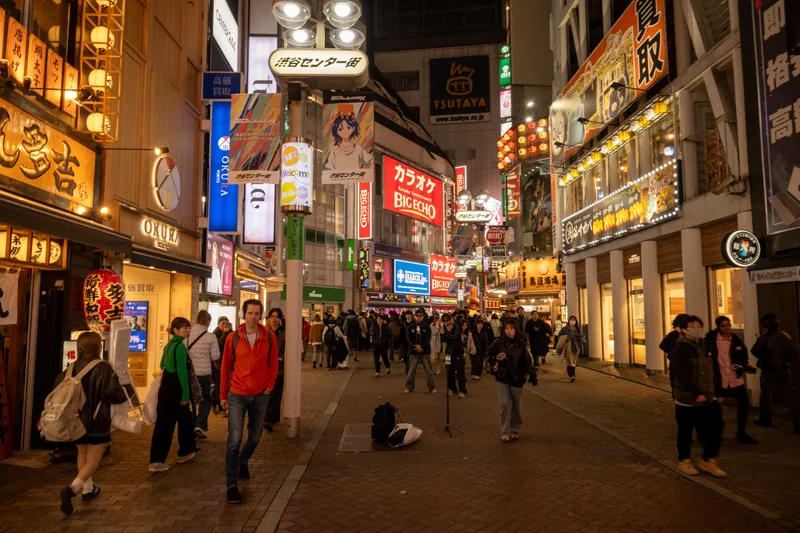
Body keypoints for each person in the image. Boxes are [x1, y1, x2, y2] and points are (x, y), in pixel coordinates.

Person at [56, 332, 127, 515]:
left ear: (79, 347)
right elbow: (115, 394)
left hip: (75, 420)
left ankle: (88, 487)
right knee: (94, 459)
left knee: (82, 452)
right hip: (97, 421)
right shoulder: (103, 367)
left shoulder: (71, 368)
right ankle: (71, 489)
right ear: (98, 347)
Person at [220, 299, 278, 504]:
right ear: (243, 315)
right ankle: (231, 485)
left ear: (261, 315)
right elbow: (226, 366)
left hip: (260, 395)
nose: (253, 317)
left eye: (257, 313)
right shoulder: (233, 338)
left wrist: (268, 387)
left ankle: (243, 461)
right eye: (250, 313)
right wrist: (223, 395)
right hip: (237, 393)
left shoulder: (268, 337)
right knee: (234, 439)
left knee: (255, 436)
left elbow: (273, 366)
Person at [670, 315, 726, 477]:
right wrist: (696, 393)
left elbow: (715, 369)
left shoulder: (705, 346)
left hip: (709, 396)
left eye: (699, 325)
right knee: (686, 430)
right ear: (684, 329)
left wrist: (719, 391)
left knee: (715, 428)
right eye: (692, 326)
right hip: (687, 398)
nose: (697, 328)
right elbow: (681, 374)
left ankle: (708, 459)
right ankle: (684, 460)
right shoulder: (680, 349)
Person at [149, 317, 200, 474]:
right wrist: (185, 395)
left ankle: (157, 460)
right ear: (175, 330)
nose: (187, 330)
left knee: (166, 424)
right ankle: (183, 453)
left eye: (188, 327)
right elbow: (182, 372)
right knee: (182, 421)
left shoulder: (169, 345)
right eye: (183, 328)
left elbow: (162, 365)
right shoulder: (179, 347)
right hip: (176, 388)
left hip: (166, 388)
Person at [705, 316, 758, 444]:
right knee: (712, 408)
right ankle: (710, 434)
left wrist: (745, 366)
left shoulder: (735, 340)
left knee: (744, 403)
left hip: (734, 378)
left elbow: (742, 356)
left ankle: (741, 432)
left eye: (728, 324)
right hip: (719, 380)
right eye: (723, 325)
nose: (727, 328)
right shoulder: (710, 340)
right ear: (718, 327)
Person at [487, 320, 538, 442]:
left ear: (516, 330)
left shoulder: (521, 344)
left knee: (516, 406)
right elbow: (489, 355)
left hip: (517, 378)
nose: (508, 331)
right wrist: (497, 358)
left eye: (511, 328)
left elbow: (527, 361)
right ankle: (505, 431)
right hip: (502, 377)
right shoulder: (498, 342)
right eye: (506, 329)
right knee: (504, 404)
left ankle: (515, 430)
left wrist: (532, 375)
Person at [751, 313, 800, 433]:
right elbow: (792, 352)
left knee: (766, 396)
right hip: (784, 369)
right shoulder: (785, 336)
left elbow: (755, 351)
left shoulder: (765, 337)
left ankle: (765, 419)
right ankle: (798, 422)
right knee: (789, 397)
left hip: (769, 370)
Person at [185, 310, 220, 440]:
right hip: (204, 374)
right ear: (208, 321)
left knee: (192, 401)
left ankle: (192, 427)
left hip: (190, 374)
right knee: (206, 400)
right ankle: (199, 425)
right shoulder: (210, 337)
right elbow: (216, 356)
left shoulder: (187, 335)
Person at [404, 310, 437, 394]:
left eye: (420, 315)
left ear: (423, 317)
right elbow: (408, 339)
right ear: (414, 316)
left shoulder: (427, 327)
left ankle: (432, 387)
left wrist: (421, 346)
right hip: (413, 352)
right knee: (411, 371)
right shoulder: (410, 327)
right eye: (417, 315)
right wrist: (416, 346)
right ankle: (409, 387)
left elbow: (428, 338)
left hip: (425, 352)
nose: (419, 317)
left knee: (429, 371)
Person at [265, 308, 286, 433]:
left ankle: (272, 418)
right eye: (272, 316)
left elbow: (288, 348)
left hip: (279, 367)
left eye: (277, 317)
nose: (274, 319)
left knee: (276, 394)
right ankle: (268, 418)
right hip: (265, 368)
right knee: (267, 393)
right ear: (268, 318)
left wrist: (281, 357)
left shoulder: (284, 332)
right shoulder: (264, 332)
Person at [443, 317, 471, 398]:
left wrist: (445, 332)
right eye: (444, 320)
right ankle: (452, 388)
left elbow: (454, 337)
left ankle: (462, 391)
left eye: (447, 320)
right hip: (448, 354)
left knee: (460, 373)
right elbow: (443, 339)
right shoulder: (444, 328)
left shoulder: (457, 328)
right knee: (449, 372)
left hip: (458, 354)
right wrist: (443, 332)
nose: (446, 322)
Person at [212, 316, 232, 415]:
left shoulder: (231, 332)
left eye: (226, 323)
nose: (225, 325)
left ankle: (220, 405)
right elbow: (219, 346)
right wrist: (224, 333)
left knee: (225, 384)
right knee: (218, 384)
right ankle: (218, 405)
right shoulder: (215, 334)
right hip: (217, 363)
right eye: (222, 323)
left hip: (228, 361)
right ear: (218, 324)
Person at [556, 316, 584, 382]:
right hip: (568, 348)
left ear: (576, 321)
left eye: (574, 319)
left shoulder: (578, 329)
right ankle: (572, 375)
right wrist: (565, 338)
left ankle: (572, 375)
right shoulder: (565, 329)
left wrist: (582, 343)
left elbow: (582, 337)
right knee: (570, 362)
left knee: (573, 363)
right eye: (571, 319)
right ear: (569, 320)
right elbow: (559, 335)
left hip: (576, 348)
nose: (572, 321)